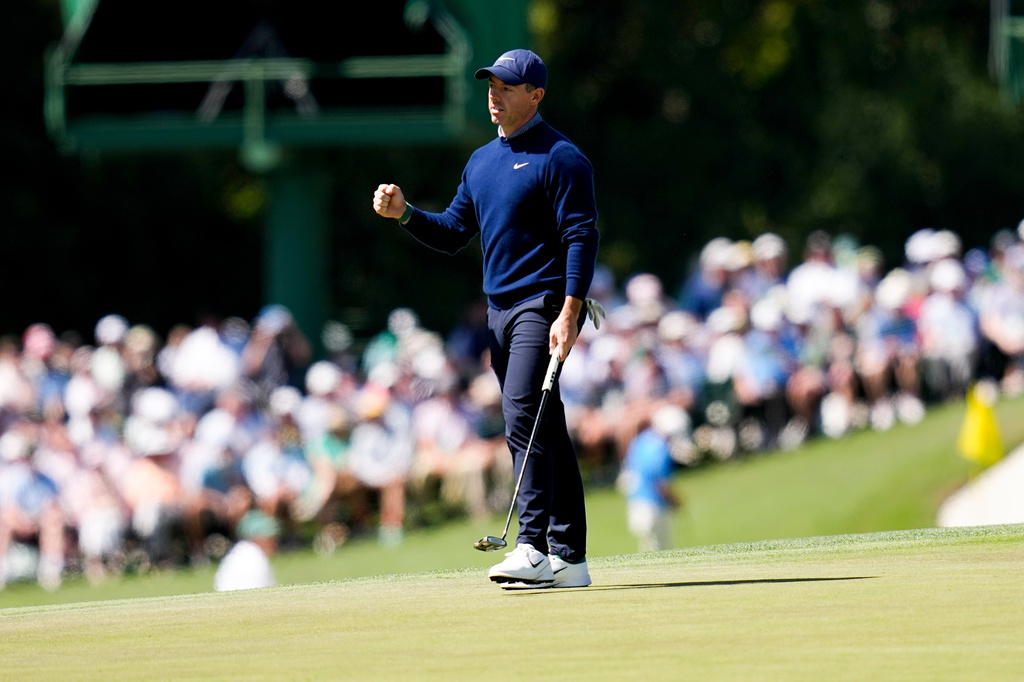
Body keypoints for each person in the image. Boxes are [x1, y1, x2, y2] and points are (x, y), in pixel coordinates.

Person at [372, 48, 599, 588]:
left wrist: (569, 311)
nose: (494, 95)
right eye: (491, 85)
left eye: (507, 87)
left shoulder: (561, 157)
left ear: (536, 95)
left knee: (522, 415)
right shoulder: (481, 162)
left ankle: (532, 546)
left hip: (541, 307)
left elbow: (581, 237)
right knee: (546, 426)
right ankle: (571, 558)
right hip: (498, 312)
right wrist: (405, 213)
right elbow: (453, 232)